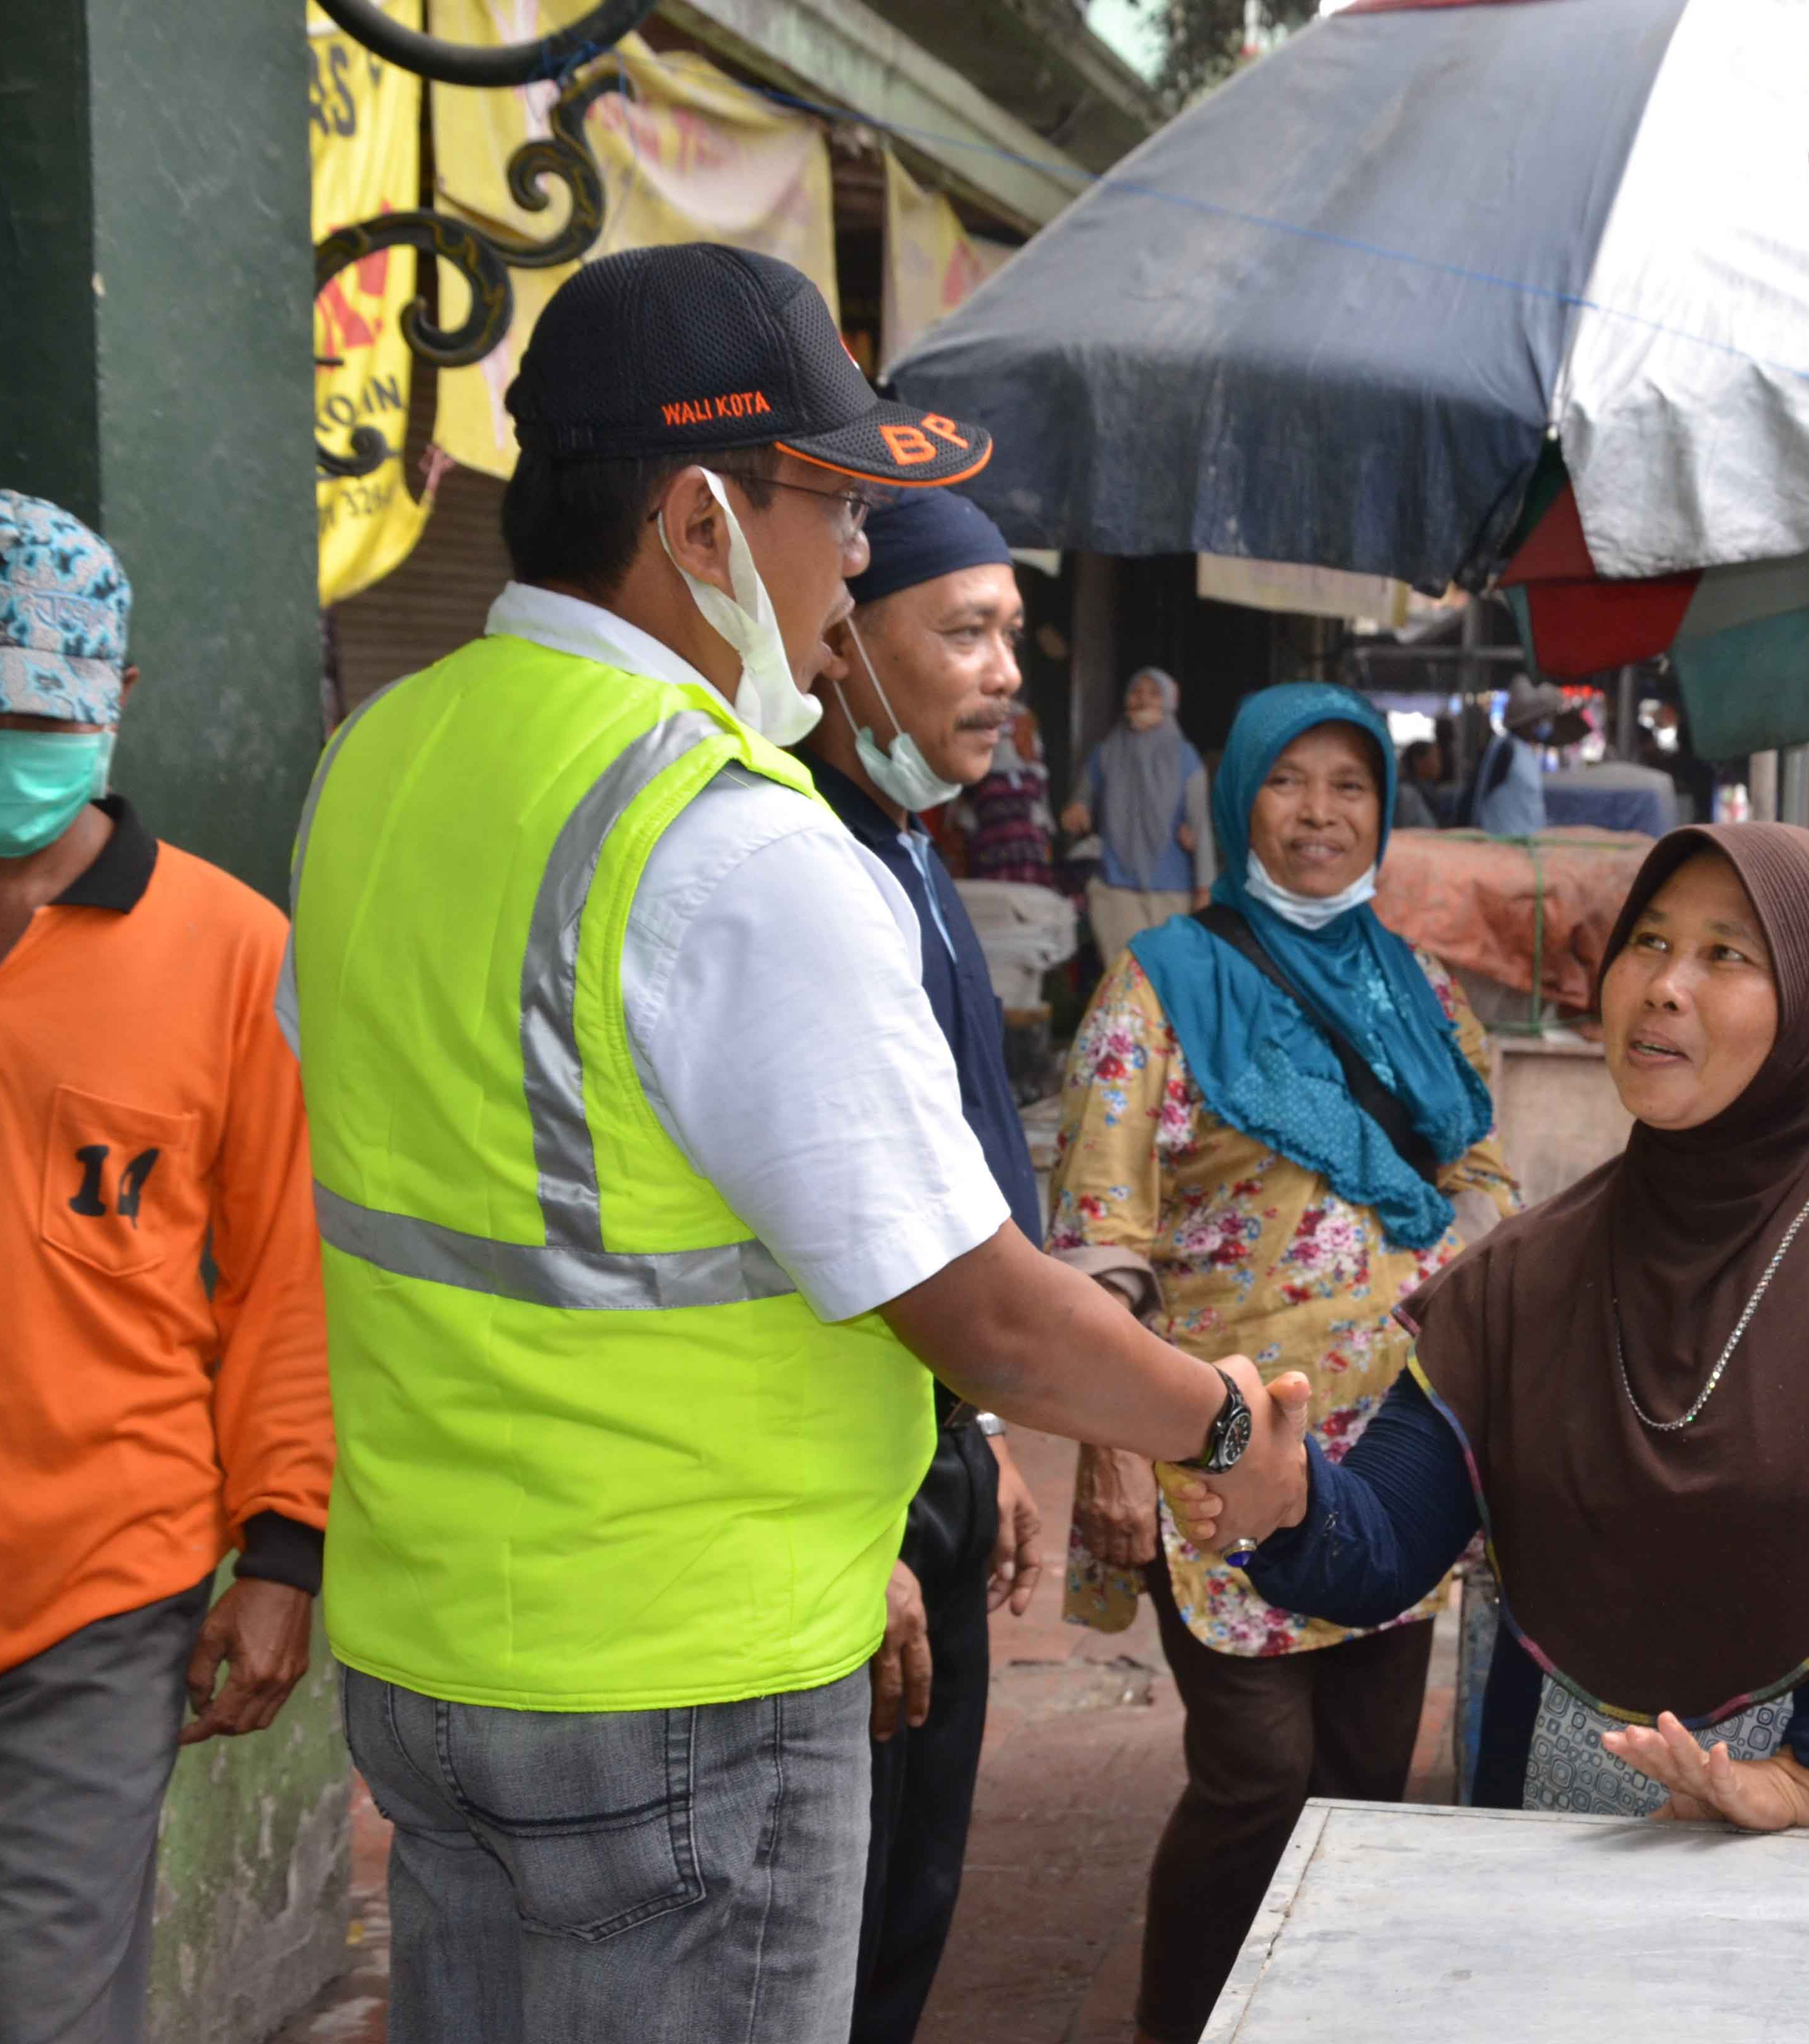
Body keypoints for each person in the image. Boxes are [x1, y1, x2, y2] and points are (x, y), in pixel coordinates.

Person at [285, 244, 1299, 2044]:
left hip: (437, 1654)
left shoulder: (384, 757)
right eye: (830, 506)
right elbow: (977, 1309)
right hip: (680, 1680)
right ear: (695, 520)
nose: (852, 563)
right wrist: (1222, 1423)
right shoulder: (725, 844)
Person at [1203, 822, 1809, 1834]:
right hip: (1570, 1833)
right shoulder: (1524, 1272)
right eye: (1647, 940)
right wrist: (1288, 1500)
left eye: (1726, 953)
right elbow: (1381, 1549)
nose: (1664, 985)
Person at [0, 493, 333, 2043]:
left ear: (120, 700)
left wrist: (286, 1545)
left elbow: (286, 1275)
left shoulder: (236, 952)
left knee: (24, 2003)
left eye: (53, 709)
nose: (15, 743)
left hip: (107, 1581)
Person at [1049, 683, 1520, 2044]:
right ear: (1236, 797)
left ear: (1382, 807)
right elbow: (1097, 1235)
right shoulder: (1161, 984)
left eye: (1349, 786)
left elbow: (1477, 1149)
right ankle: (1185, 2021)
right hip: (1218, 1454)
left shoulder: (1413, 984)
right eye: (1288, 784)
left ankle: (1325, 2014)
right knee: (1260, 1770)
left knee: (1371, 1770)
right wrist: (1108, 1450)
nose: (1319, 815)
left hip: (1397, 1461)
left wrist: (1465, 1253)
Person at [799, 487, 1056, 2044]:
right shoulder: (793, 867)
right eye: (965, 631)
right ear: (839, 639)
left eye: (1012, 634)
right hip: (840, 1509)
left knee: (910, 1908)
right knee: (833, 1936)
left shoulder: (909, 848)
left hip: (931, 1454)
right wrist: (863, 1542)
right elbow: (780, 1245)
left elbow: (948, 1189)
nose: (1005, 672)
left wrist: (984, 1437)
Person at [1064, 668, 1214, 963]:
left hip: (1172, 890)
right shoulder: (1106, 752)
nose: (1143, 699)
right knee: (1125, 981)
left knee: (1166, 981)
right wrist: (1077, 808)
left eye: (1155, 693)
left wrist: (1204, 888)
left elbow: (1201, 826)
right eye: (1136, 691)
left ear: (1170, 702)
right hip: (1115, 887)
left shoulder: (1186, 758)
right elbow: (1081, 798)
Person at [1469, 679, 1592, 837]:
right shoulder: (1506, 749)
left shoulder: (1524, 751)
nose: (1546, 724)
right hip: (1502, 844)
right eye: (1543, 718)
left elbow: (1571, 732)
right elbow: (1478, 796)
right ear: (1529, 721)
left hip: (1523, 845)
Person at [961, 710, 1059, 891]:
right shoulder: (980, 779)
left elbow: (1044, 822)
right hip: (992, 861)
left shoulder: (1034, 776)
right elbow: (965, 824)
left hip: (1031, 862)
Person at [1391, 736, 1444, 830]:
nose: (1439, 763)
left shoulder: (1429, 791)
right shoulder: (1407, 794)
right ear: (1418, 761)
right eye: (1435, 757)